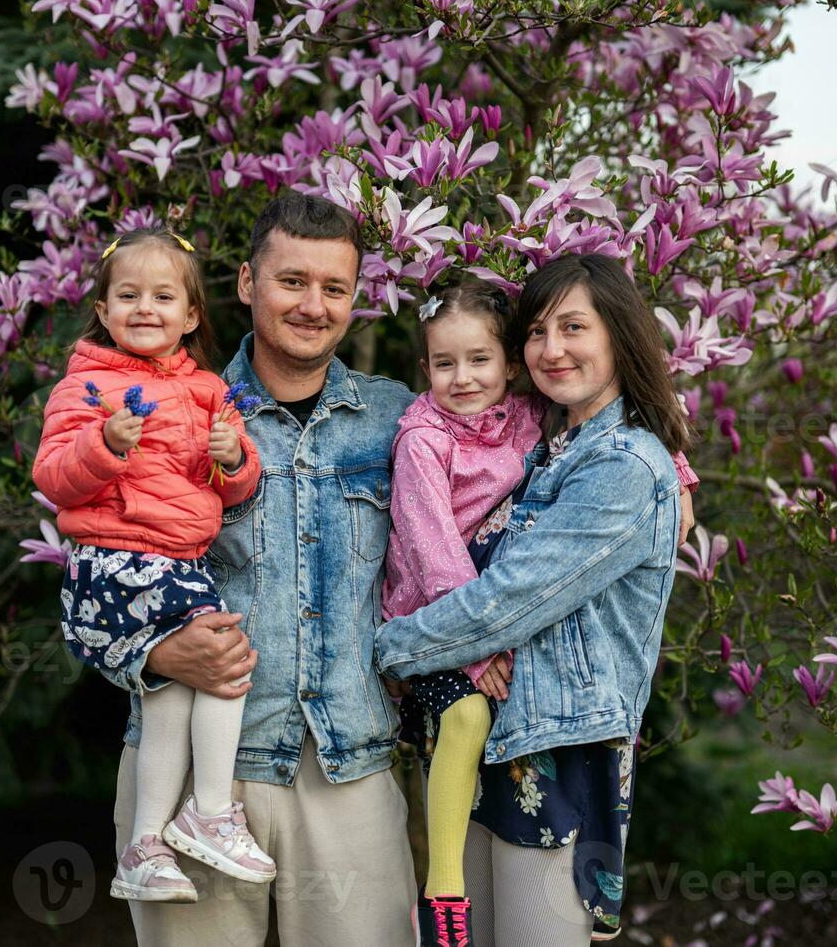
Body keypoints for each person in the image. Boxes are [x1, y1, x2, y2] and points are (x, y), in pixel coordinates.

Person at [109, 193, 420, 945]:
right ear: (248, 284)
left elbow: (510, 460)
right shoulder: (166, 411)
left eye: (335, 288)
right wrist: (146, 652)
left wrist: (666, 468)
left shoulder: (400, 417)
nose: (313, 305)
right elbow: (94, 570)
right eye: (292, 281)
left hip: (350, 763)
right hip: (191, 773)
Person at [377, 253, 695, 946]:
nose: (553, 350)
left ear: (619, 334)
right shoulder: (548, 436)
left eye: (574, 327)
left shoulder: (622, 465)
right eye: (539, 331)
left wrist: (388, 649)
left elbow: (509, 604)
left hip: (557, 750)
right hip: (491, 735)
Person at [33, 228, 275, 903]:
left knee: (168, 694)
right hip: (117, 563)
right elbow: (54, 478)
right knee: (228, 664)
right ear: (105, 312)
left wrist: (232, 458)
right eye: (129, 295)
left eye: (164, 296)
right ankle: (209, 811)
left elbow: (236, 489)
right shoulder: (86, 388)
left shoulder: (206, 392)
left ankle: (144, 847)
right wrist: (101, 445)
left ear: (192, 315)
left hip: (176, 566)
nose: (146, 308)